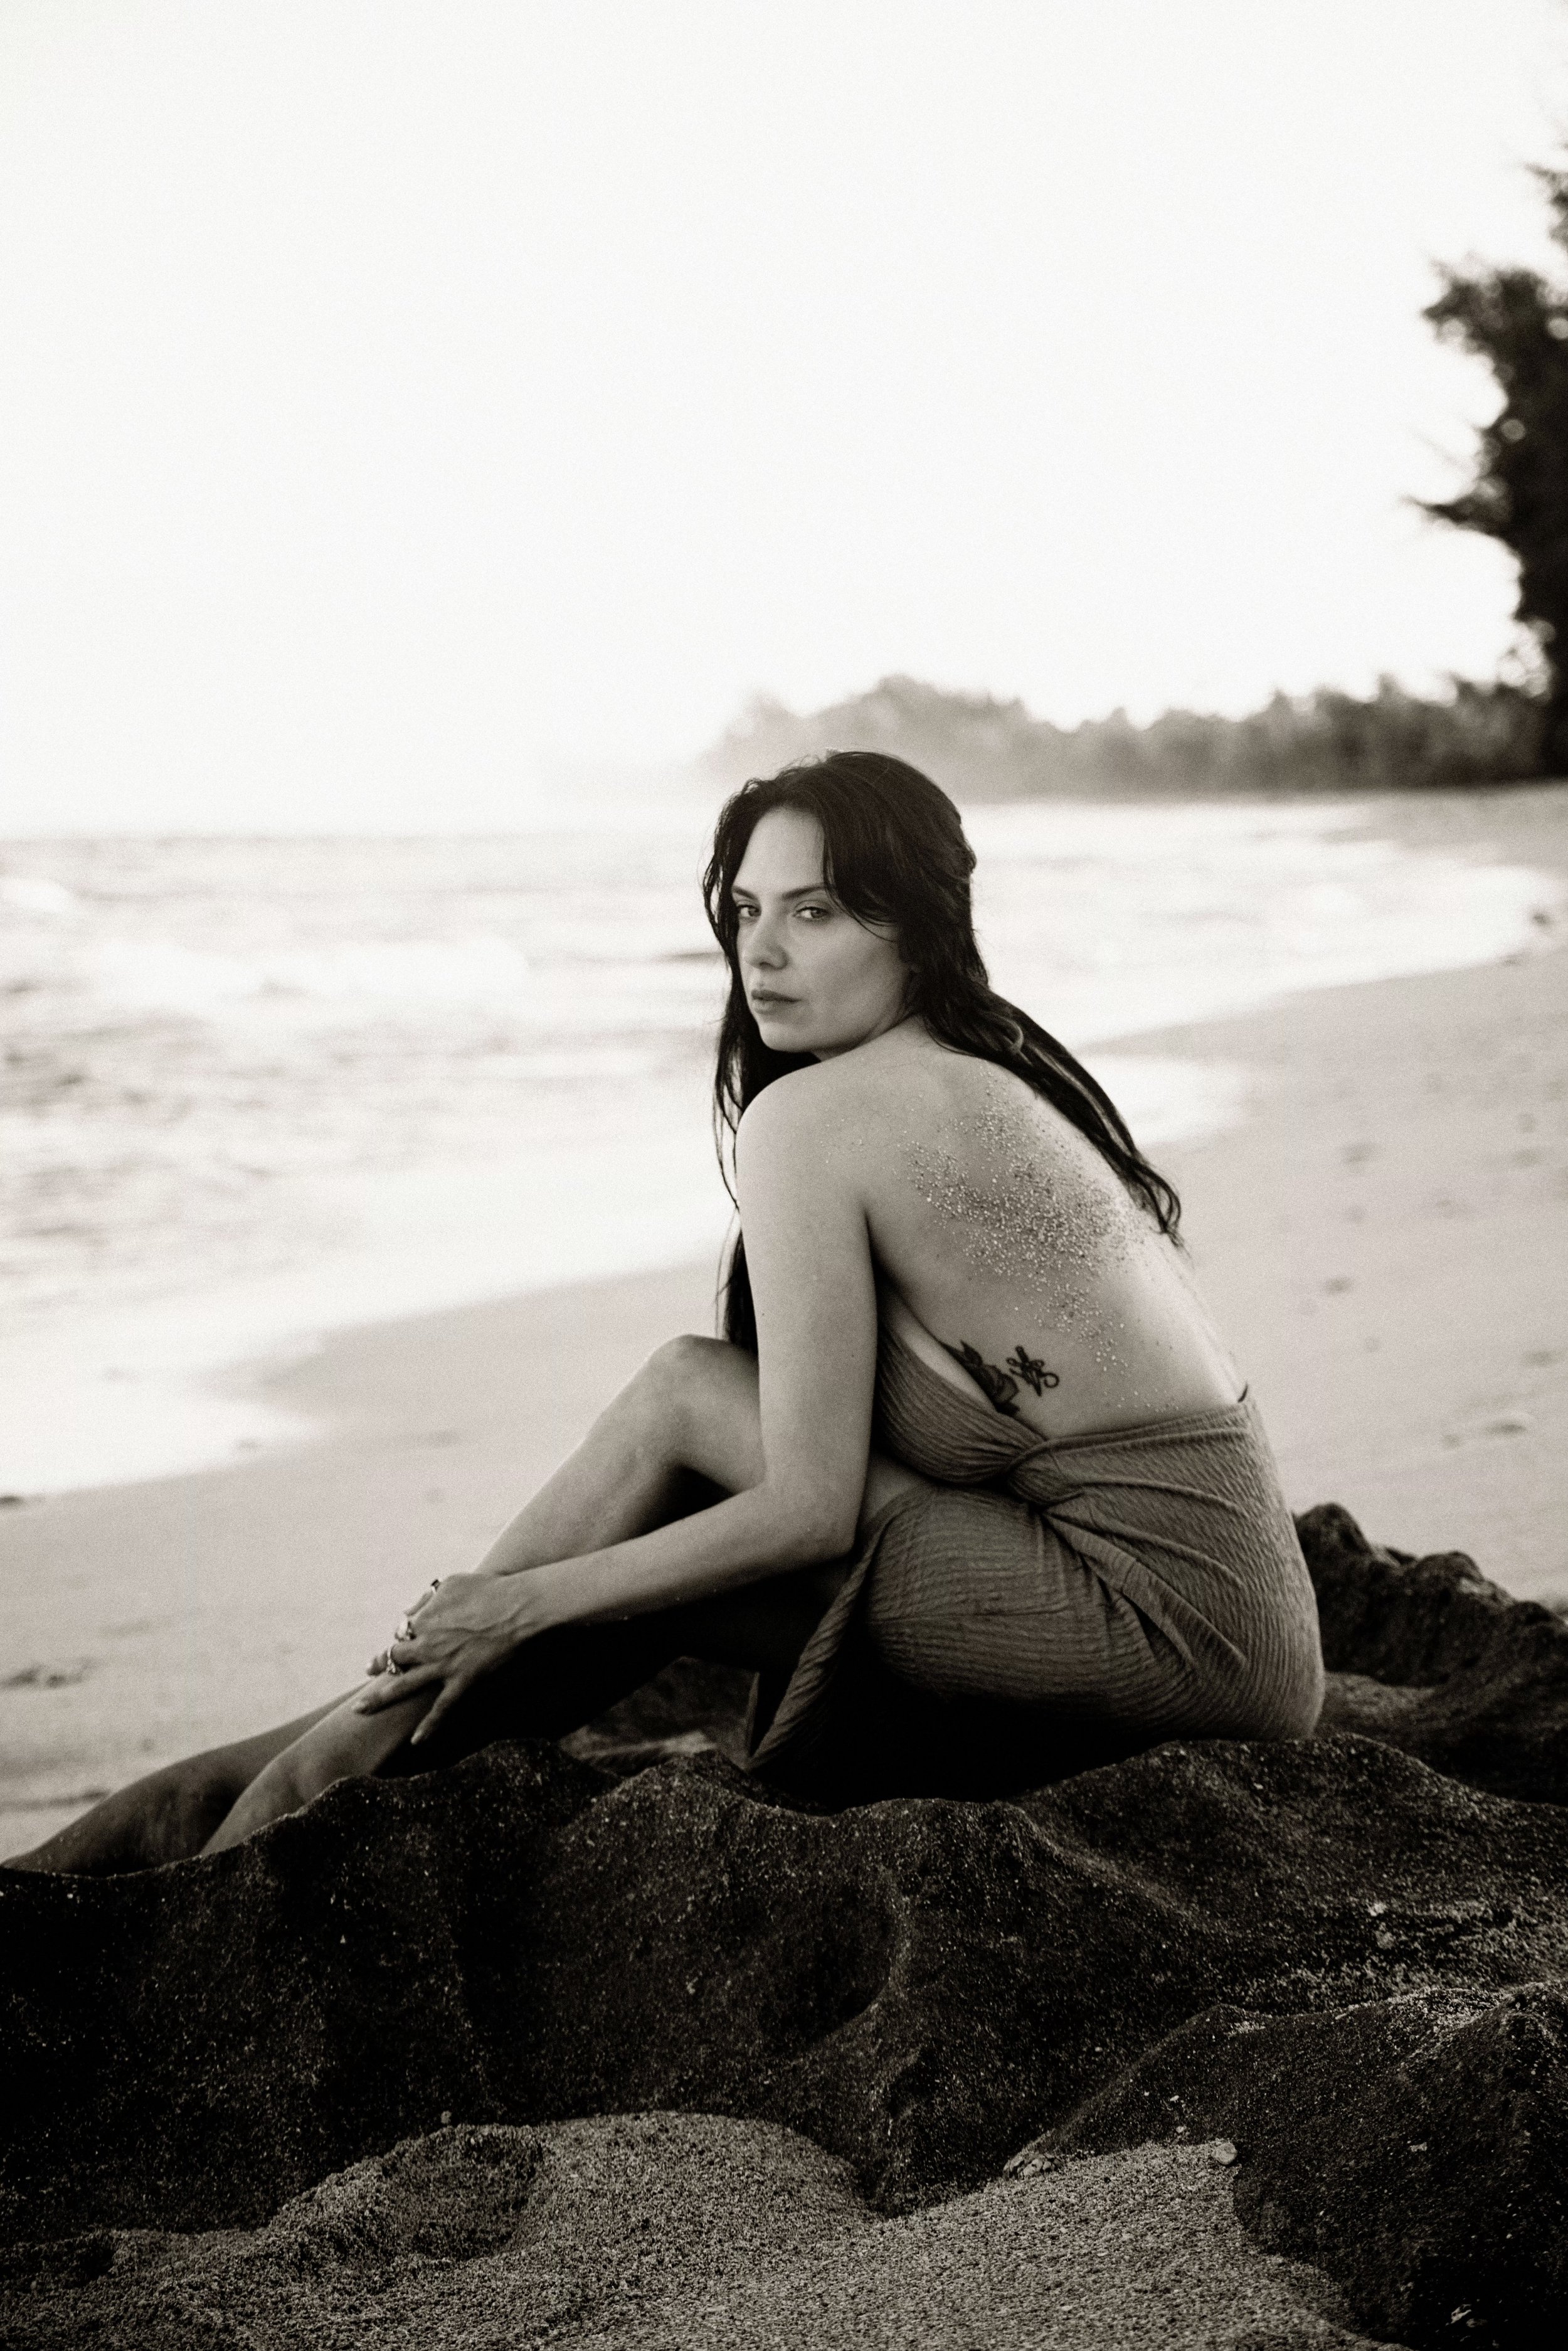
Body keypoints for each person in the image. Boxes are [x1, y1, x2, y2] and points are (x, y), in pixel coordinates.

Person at [9, 753, 1323, 1874]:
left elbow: (805, 1506)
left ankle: (330, 1758)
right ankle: (209, 1808)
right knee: (607, 1582)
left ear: (911, 924)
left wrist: (513, 1604)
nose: (762, 948)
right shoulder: (984, 1076)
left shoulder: (820, 1114)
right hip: (1240, 1632)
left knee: (676, 1405)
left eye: (813, 910)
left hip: (1160, 1625)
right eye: (746, 907)